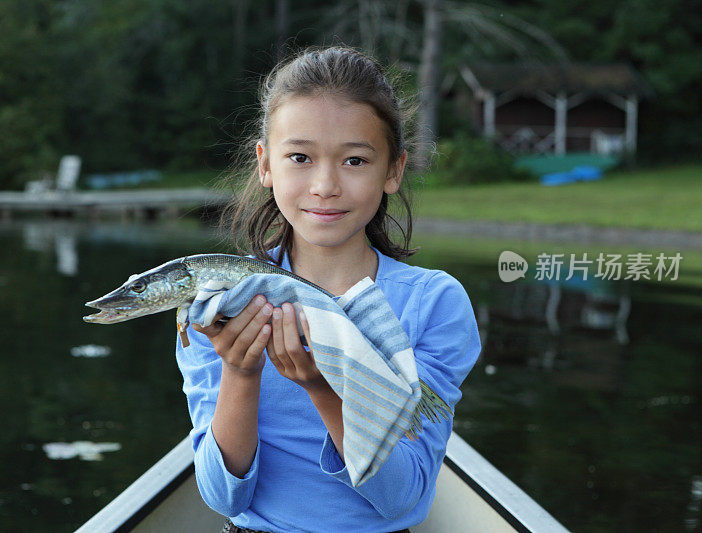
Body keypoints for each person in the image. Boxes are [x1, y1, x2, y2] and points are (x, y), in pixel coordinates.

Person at [176, 46, 481, 533]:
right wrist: (239, 370)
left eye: (355, 161)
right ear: (265, 164)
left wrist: (323, 387)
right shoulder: (218, 302)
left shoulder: (434, 304)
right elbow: (221, 495)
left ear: (394, 171)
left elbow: (401, 499)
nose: (324, 185)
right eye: (300, 157)